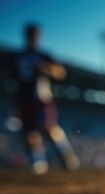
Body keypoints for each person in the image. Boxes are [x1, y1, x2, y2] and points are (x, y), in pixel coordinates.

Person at [9, 23, 79, 174]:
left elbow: (61, 72)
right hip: (24, 99)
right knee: (29, 132)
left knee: (49, 127)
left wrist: (45, 68)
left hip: (41, 98)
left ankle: (66, 157)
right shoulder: (17, 57)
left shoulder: (43, 55)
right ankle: (38, 162)